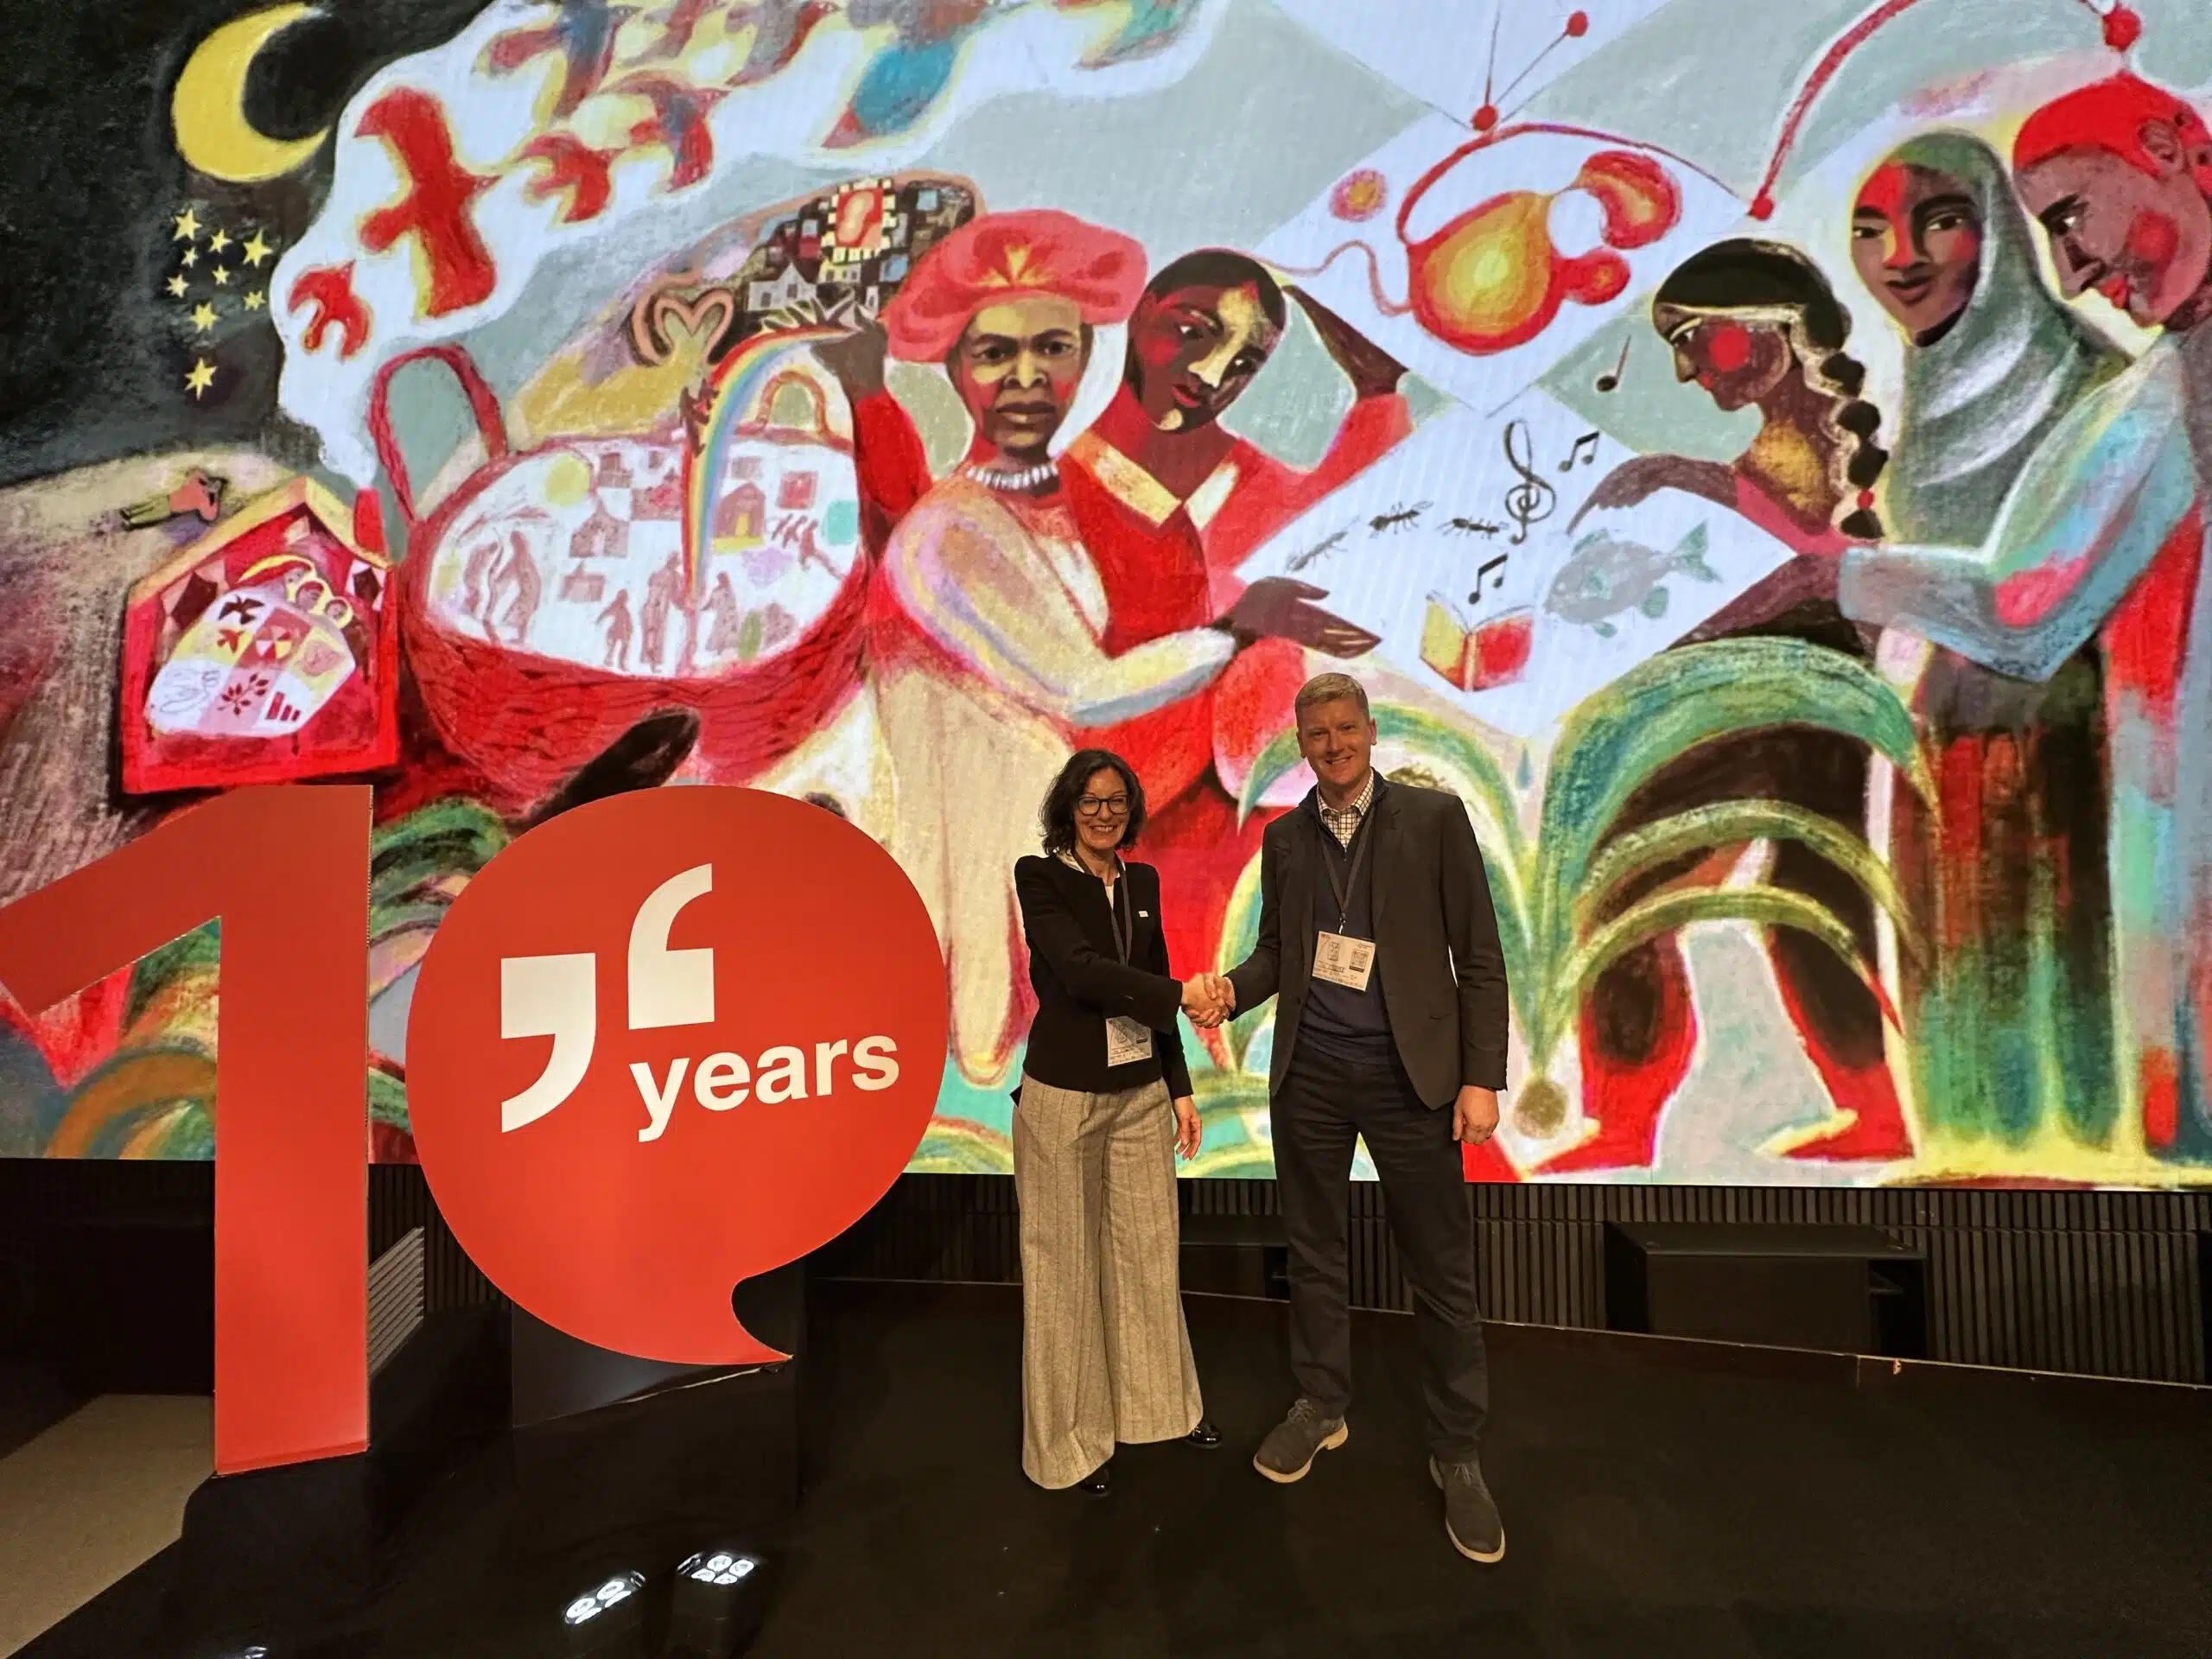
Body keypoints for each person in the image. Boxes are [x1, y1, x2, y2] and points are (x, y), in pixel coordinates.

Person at [860, 210, 1359, 1088]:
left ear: (1086, 357)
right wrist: (1242, 628)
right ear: (955, 368)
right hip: (973, 861)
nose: (1026, 379)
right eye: (994, 356)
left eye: (1051, 350)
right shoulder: (948, 530)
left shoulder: (1069, 503)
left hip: (1062, 860)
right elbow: (1083, 689)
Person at [1837, 73, 2212, 1162]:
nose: (2072, 271)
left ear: (2167, 147)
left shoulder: (2149, 395)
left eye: (2067, 218)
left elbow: (2024, 608)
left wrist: (1831, 578)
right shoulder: (2157, 389)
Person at [1559, 239, 1910, 1171]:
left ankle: (1628, 1118)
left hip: (1793, 692)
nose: (1684, 368)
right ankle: (1857, 1108)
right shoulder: (1779, 448)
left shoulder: (1853, 444)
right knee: (1804, 889)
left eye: (1700, 342)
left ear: (1779, 332)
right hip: (1780, 690)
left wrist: (1686, 485)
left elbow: (1814, 566)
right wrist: (1688, 481)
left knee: (1631, 883)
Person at [1203, 671, 1510, 1563]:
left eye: (1345, 729)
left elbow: (1479, 958)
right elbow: (1279, 955)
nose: (1332, 745)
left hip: (1411, 1077)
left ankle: (1456, 1450)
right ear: (1301, 746)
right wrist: (1233, 990)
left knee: (1441, 1269)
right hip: (1313, 1074)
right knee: (1314, 1251)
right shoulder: (1285, 839)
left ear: (1369, 732)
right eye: (1316, 735)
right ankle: (1322, 1405)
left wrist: (1479, 1077)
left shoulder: (1433, 819)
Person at [1011, 748, 1229, 1494]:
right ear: (1067, 808)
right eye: (1091, 801)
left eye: (1117, 802)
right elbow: (1078, 970)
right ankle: (1069, 1447)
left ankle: (1158, 1410)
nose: (1105, 814)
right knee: (1063, 1271)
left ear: (1131, 811)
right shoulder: (1038, 877)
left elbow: (1152, 975)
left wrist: (1180, 1088)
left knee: (1147, 1257)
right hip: (1063, 1098)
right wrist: (1182, 997)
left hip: (1139, 1096)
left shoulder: (1142, 882)